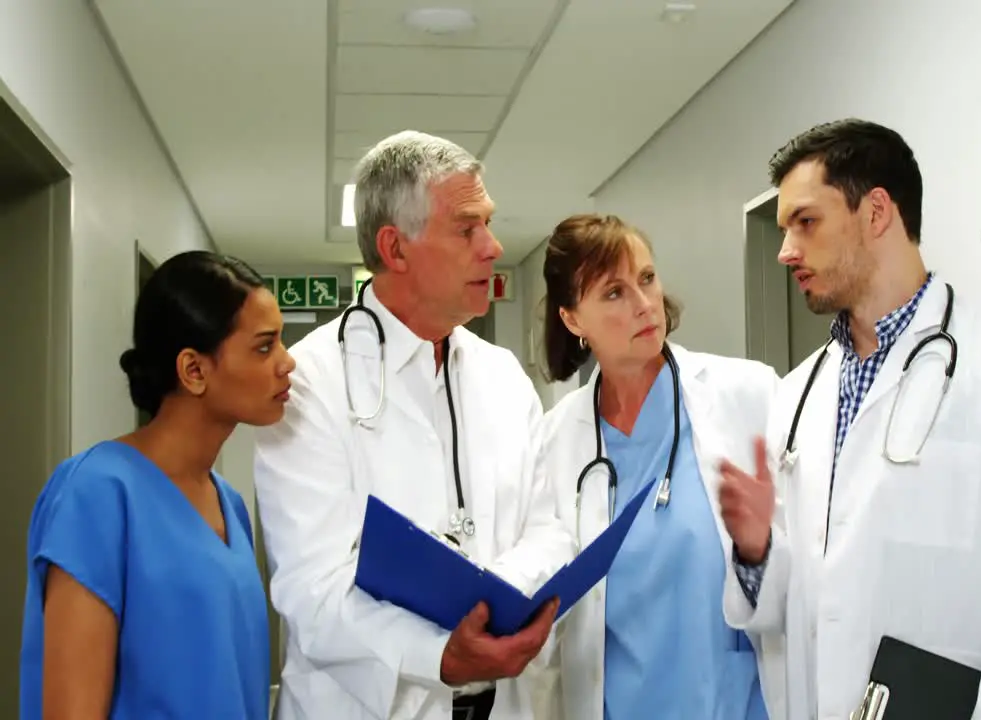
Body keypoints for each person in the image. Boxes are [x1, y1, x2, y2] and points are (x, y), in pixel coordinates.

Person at [718, 118, 981, 719]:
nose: (785, 250)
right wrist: (758, 551)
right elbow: (798, 605)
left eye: (806, 222)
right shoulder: (796, 396)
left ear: (876, 213)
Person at [253, 130, 572, 720]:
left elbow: (549, 528)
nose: (493, 246)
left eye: (489, 223)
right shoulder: (310, 383)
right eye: (466, 227)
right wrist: (440, 655)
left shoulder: (503, 376)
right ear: (395, 249)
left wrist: (492, 599)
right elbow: (312, 590)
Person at [531, 213, 785, 720]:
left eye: (647, 279)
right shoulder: (557, 441)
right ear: (573, 319)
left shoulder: (746, 395)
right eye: (613, 293)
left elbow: (802, 583)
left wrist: (759, 550)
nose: (644, 305)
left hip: (733, 706)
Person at [19, 250, 292, 719]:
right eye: (265, 346)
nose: (287, 364)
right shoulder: (97, 493)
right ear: (194, 370)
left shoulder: (228, 504)